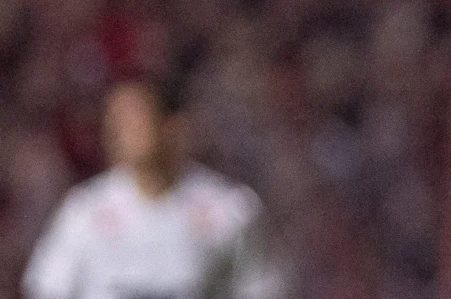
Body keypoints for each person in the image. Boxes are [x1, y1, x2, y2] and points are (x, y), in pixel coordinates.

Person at [23, 78, 281, 299]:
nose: (118, 133)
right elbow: (49, 288)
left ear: (170, 126)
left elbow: (260, 289)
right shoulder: (84, 210)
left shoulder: (229, 209)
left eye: (133, 120)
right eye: (113, 121)